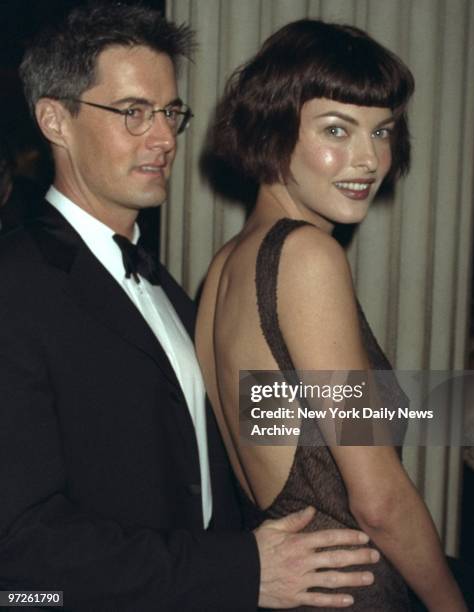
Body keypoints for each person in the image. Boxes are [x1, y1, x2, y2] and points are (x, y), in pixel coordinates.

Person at [0, 5, 380, 611]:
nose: (163, 137)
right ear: (55, 120)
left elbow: (271, 420)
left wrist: (448, 409)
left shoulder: (165, 287)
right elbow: (20, 565)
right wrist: (240, 570)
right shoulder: (16, 284)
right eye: (133, 113)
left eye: (171, 112)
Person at [196, 20, 467, 611]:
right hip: (357, 592)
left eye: (382, 130)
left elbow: (277, 437)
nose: (368, 158)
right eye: (337, 130)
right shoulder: (307, 255)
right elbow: (378, 499)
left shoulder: (223, 269)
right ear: (273, 131)